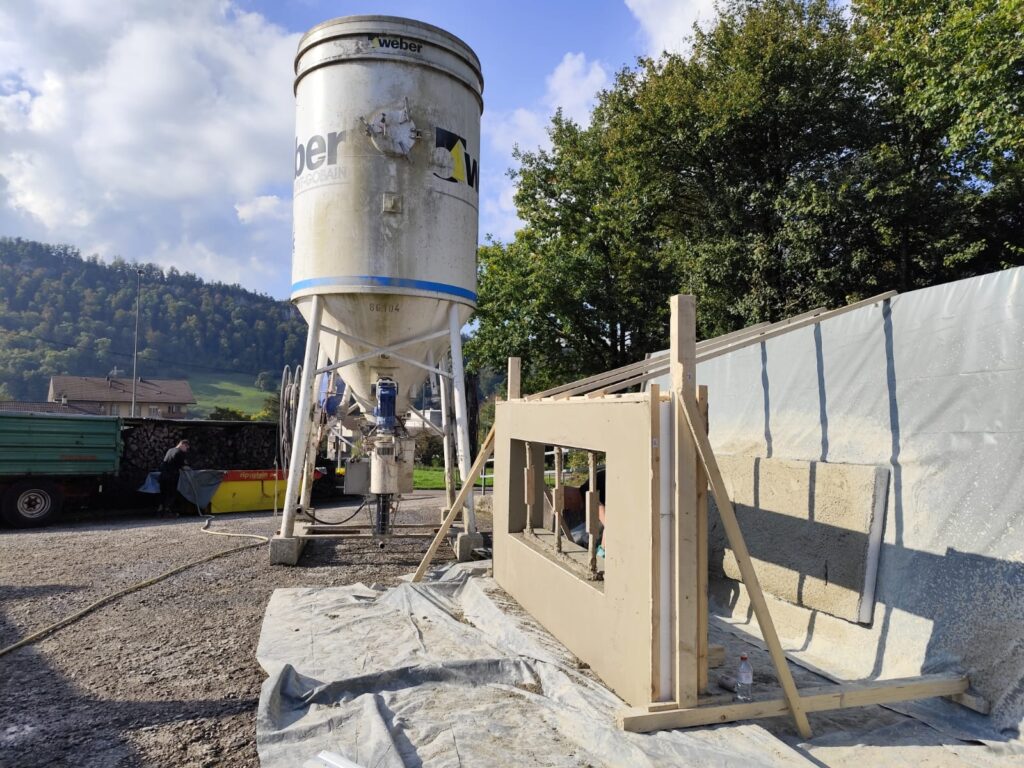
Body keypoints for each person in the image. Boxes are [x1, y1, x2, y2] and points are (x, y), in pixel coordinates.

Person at [158, 439, 190, 514]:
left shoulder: (170, 450)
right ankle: (168, 510)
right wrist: (190, 469)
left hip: (163, 475)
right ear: (182, 444)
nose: (186, 450)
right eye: (186, 447)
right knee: (171, 493)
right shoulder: (180, 452)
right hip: (172, 476)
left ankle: (160, 509)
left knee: (163, 493)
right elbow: (183, 466)